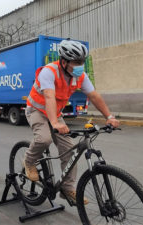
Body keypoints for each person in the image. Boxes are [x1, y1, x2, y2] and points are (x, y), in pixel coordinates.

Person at [24, 39, 120, 204]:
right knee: (44, 139)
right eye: (76, 62)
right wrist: (54, 123)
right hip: (36, 110)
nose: (80, 65)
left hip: (55, 112)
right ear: (63, 61)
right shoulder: (49, 72)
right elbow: (49, 97)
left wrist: (109, 116)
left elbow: (94, 96)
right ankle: (29, 161)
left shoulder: (80, 76)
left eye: (82, 62)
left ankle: (67, 189)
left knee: (69, 150)